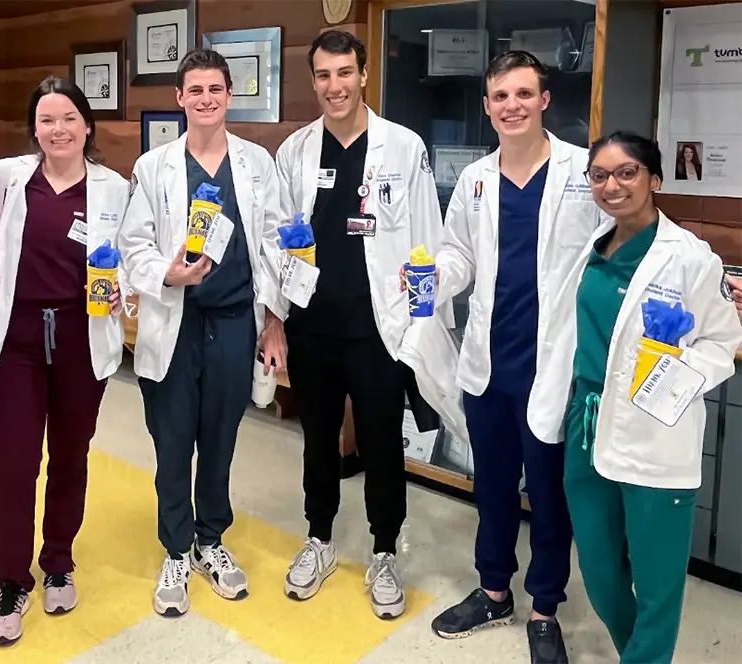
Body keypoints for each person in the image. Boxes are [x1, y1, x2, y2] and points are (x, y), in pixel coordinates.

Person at [425, 51, 604, 663]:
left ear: (545, 100)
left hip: (554, 367)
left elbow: (622, 242)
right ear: (487, 106)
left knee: (551, 497)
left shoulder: (584, 173)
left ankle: (545, 608)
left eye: (523, 94)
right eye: (500, 97)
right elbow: (459, 258)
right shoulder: (475, 180)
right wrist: (428, 277)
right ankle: (493, 588)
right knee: (494, 488)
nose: (512, 106)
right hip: (490, 366)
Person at [270, 29, 449, 620]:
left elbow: (425, 236)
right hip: (313, 325)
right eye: (322, 75)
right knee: (317, 440)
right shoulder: (294, 150)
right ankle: (318, 538)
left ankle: (384, 550)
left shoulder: (403, 146)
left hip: (380, 329)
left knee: (380, 445)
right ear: (313, 80)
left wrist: (423, 326)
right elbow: (279, 238)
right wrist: (274, 318)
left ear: (363, 74)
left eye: (344, 73)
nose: (334, 86)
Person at [543, 131, 742, 663]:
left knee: (657, 587)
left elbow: (724, 341)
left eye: (627, 172)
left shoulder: (689, 257)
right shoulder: (595, 249)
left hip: (655, 434)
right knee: (601, 572)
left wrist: (673, 381)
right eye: (600, 175)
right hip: (587, 425)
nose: (612, 185)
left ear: (654, 180)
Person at [117, 48, 286, 618]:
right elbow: (132, 243)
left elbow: (275, 246)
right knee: (172, 441)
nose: (206, 98)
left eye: (216, 88)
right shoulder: (154, 165)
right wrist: (169, 272)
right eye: (196, 89)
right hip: (175, 319)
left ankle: (210, 540)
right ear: (180, 99)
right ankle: (174, 548)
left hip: (236, 320)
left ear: (229, 96)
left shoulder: (258, 164)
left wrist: (275, 321)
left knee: (220, 439)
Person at [0, 75, 129, 645]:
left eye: (68, 118)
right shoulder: (8, 178)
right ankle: (12, 579)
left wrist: (122, 293)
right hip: (16, 339)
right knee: (14, 465)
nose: (58, 130)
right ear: (33, 128)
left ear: (87, 125)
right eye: (46, 120)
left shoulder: (113, 187)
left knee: (71, 456)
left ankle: (58, 560)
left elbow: (129, 258)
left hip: (80, 336)